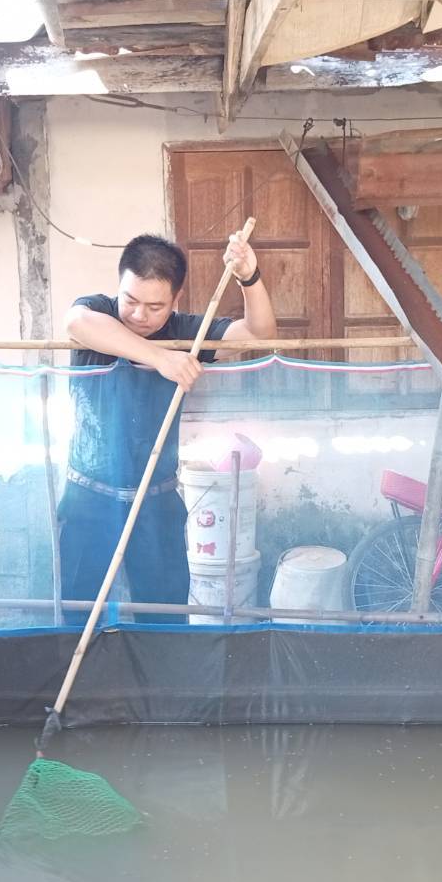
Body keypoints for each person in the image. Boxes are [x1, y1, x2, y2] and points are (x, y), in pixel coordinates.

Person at [59, 231, 276, 623]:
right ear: (119, 286)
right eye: (130, 300)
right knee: (80, 616)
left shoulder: (186, 331)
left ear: (176, 300)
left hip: (155, 500)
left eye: (155, 306)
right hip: (89, 497)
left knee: (164, 619)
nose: (139, 315)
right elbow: (75, 322)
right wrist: (161, 359)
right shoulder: (97, 313)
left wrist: (250, 276)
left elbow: (259, 335)